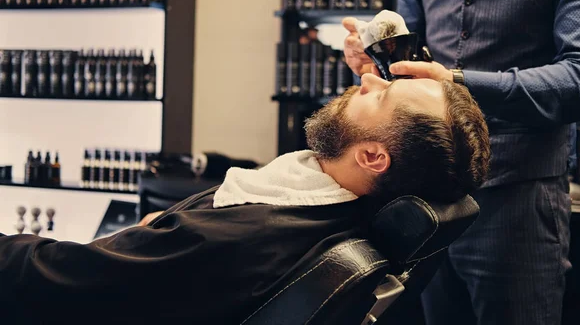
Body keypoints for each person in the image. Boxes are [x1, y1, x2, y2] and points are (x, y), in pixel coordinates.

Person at [0, 74, 490, 324]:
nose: (367, 79)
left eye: (381, 95)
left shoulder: (234, 239)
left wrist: (161, 236)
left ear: (373, 158)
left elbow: (48, 279)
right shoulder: (350, 212)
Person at [342, 0, 580, 324]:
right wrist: (374, 63)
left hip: (518, 202)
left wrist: (457, 82)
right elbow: (407, 70)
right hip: (427, 204)